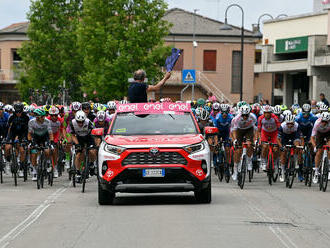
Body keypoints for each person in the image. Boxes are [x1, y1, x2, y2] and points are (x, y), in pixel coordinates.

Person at [231, 105, 257, 180]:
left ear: (249, 114)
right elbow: (234, 131)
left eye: (246, 115)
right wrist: (235, 140)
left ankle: (249, 161)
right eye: (243, 115)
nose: (245, 117)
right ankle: (235, 171)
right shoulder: (236, 119)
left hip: (249, 129)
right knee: (238, 150)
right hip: (239, 130)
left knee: (249, 144)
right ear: (241, 114)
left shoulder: (253, 117)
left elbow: (255, 130)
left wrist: (255, 140)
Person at [69, 110, 97, 182]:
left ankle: (91, 164)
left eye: (82, 121)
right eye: (78, 122)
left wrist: (96, 144)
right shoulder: (72, 123)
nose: (80, 123)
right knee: (78, 154)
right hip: (79, 138)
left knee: (92, 151)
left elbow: (95, 133)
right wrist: (77, 144)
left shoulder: (88, 122)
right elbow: (72, 135)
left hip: (89, 137)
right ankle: (78, 172)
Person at [28, 108, 54, 181]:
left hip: (45, 137)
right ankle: (35, 171)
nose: (44, 118)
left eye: (44, 116)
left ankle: (48, 163)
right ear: (37, 117)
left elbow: (50, 133)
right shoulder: (31, 122)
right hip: (36, 138)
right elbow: (29, 134)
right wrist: (30, 142)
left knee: (47, 150)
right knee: (33, 153)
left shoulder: (47, 121)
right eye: (42, 116)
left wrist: (51, 142)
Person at [277, 114, 303, 182]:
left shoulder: (297, 126)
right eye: (288, 124)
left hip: (294, 136)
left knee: (297, 145)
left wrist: (301, 147)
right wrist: (281, 147)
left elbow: (301, 137)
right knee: (283, 152)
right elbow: (278, 139)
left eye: (291, 123)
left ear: (294, 122)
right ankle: (282, 171)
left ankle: (296, 160)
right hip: (285, 137)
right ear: (286, 122)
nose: (290, 125)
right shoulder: (282, 126)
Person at [258, 105, 281, 171]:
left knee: (276, 149)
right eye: (265, 113)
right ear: (263, 113)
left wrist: (279, 138)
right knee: (264, 147)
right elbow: (259, 130)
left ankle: (275, 162)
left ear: (271, 113)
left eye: (269, 113)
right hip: (265, 133)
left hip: (274, 133)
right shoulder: (260, 118)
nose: (267, 114)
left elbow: (279, 128)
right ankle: (264, 163)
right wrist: (259, 139)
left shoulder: (275, 117)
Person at [311, 112, 330, 184]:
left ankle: (329, 168)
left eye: (326, 122)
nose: (324, 123)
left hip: (328, 134)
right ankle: (316, 171)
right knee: (319, 152)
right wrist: (315, 146)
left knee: (329, 149)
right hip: (319, 134)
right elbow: (312, 137)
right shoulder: (317, 123)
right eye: (323, 121)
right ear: (321, 120)